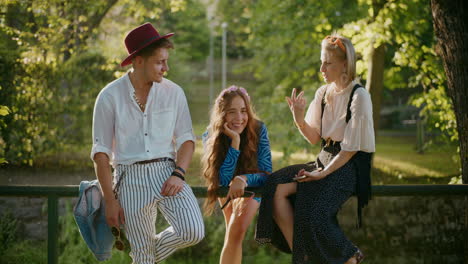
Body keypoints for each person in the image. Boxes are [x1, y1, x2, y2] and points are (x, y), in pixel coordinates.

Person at [255, 33, 375, 264]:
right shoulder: (323, 93)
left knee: (312, 210)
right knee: (276, 184)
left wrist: (322, 173)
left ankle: (350, 255)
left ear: (344, 64)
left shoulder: (360, 96)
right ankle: (303, 256)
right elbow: (314, 138)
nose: (321, 68)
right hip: (324, 159)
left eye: (327, 63)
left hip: (350, 166)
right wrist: (298, 118)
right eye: (321, 61)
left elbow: (349, 150)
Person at [91, 22, 204, 264]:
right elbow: (100, 154)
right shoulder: (109, 96)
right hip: (129, 177)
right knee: (142, 256)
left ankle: (144, 256)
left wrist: (179, 173)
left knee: (192, 231)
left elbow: (186, 138)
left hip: (167, 172)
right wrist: (110, 202)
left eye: (166, 61)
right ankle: (143, 257)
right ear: (138, 61)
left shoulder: (174, 93)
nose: (166, 68)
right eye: (159, 62)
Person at [202, 85, 272, 264]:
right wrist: (235, 142)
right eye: (232, 112)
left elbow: (267, 174)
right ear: (222, 114)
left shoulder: (259, 129)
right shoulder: (211, 135)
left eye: (243, 111)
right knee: (233, 236)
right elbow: (223, 182)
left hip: (253, 186)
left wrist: (243, 178)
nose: (239, 118)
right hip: (228, 189)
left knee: (236, 232)